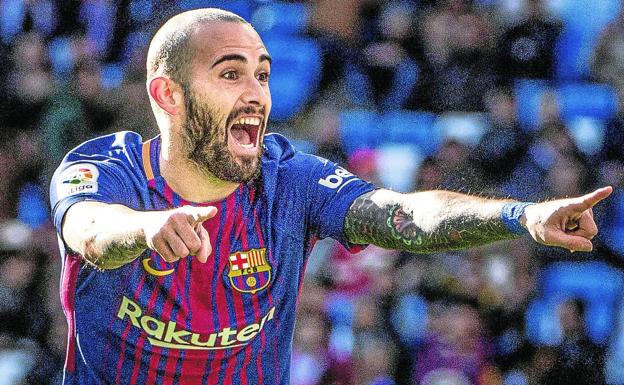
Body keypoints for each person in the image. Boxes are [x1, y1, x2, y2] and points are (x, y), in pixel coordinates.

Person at [49, 8, 612, 385]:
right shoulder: (107, 168)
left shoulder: (288, 179)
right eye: (231, 74)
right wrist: (147, 229)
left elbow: (400, 214)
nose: (255, 95)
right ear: (167, 94)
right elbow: (91, 231)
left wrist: (521, 215)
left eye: (263, 75)